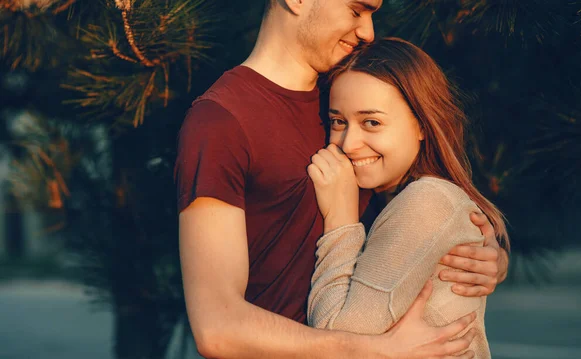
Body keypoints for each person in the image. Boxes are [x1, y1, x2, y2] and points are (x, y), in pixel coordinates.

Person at [175, 1, 509, 358]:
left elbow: (417, 207)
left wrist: (482, 253)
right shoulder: (222, 121)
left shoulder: (347, 95)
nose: (368, 32)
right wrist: (374, 350)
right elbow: (217, 329)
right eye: (356, 10)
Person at [306, 38, 511, 358]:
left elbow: (334, 337)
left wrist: (340, 221)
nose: (348, 144)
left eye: (371, 122)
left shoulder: (426, 202)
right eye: (338, 122)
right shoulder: (396, 198)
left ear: (422, 125)